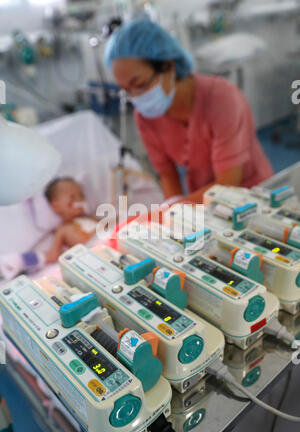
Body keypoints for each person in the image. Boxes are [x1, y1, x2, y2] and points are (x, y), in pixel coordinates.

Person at [104, 20, 273, 204]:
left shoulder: (223, 99)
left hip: (252, 197)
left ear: (168, 66)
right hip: (203, 201)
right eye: (126, 90)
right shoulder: (145, 117)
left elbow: (227, 185)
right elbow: (167, 175)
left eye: (139, 85)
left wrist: (173, 211)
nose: (136, 97)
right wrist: (174, 212)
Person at [44, 177, 98, 263]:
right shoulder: (62, 230)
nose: (79, 201)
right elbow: (53, 256)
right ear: (56, 206)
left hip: (107, 240)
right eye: (72, 198)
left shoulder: (89, 218)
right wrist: (26, 260)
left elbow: (109, 224)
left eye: (81, 196)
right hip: (92, 251)